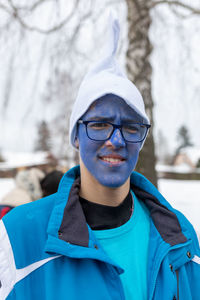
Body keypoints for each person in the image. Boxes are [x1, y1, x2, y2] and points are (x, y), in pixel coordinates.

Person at [0, 15, 200, 300]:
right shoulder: (18, 236)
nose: (116, 140)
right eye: (99, 125)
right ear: (76, 136)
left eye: (131, 127)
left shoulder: (180, 237)